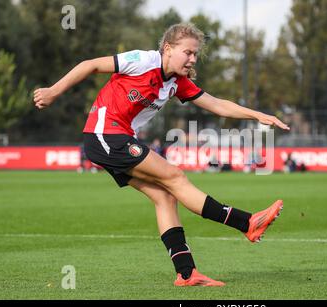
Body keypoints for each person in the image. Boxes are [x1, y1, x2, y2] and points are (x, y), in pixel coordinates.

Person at [33, 23, 289, 287]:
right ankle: (246, 222)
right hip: (105, 135)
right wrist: (54, 91)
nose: (192, 59)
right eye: (187, 52)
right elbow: (90, 65)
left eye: (194, 54)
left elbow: (216, 104)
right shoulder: (143, 60)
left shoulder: (177, 83)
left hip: (116, 139)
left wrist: (257, 115)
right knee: (174, 176)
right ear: (167, 48)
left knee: (165, 196)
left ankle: (187, 273)